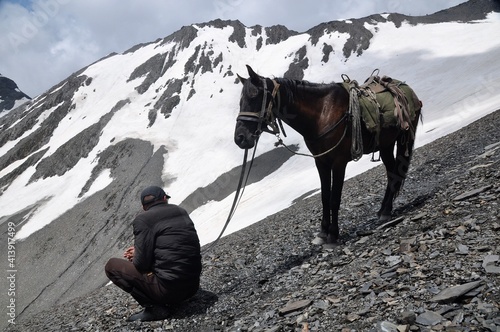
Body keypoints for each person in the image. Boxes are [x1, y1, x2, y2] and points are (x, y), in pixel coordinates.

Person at [105, 185, 202, 322]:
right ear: (164, 199)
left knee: (111, 266)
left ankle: (154, 308)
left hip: (169, 291)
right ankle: (173, 298)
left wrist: (137, 254)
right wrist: (139, 251)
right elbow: (172, 245)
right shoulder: (180, 211)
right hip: (193, 287)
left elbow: (141, 264)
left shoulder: (143, 219)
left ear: (144, 207)